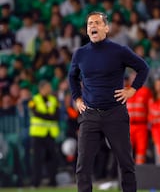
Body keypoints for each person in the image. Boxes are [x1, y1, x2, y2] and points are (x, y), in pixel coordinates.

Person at [68, 11, 149, 192]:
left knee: (126, 164)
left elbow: (143, 68)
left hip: (115, 114)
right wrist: (76, 98)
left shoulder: (119, 51)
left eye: (97, 23)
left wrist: (132, 90)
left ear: (106, 27)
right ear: (87, 30)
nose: (93, 26)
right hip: (89, 115)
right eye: (90, 24)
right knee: (83, 166)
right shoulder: (80, 54)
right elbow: (72, 78)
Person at [28, 80, 59, 187]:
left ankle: (52, 182)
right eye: (47, 87)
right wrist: (49, 116)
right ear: (41, 88)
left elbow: (56, 116)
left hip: (50, 134)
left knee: (52, 159)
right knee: (37, 159)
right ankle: (35, 183)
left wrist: (45, 116)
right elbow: (34, 113)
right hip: (37, 134)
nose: (49, 89)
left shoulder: (54, 99)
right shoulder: (34, 99)